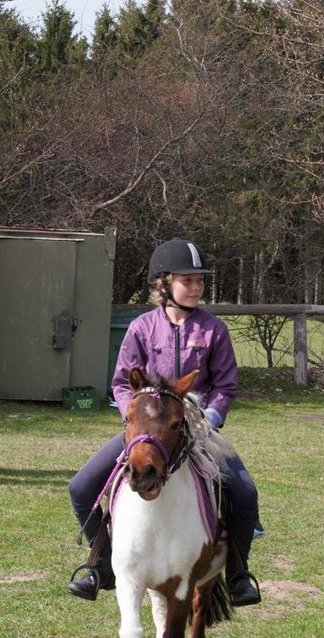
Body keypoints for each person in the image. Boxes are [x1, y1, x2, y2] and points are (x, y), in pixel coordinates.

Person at [65, 238, 262, 607]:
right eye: (187, 281)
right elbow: (122, 382)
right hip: (145, 432)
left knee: (245, 492)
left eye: (200, 281)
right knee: (80, 488)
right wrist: (133, 418)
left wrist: (210, 419)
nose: (196, 287)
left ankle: (237, 573)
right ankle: (101, 565)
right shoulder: (141, 328)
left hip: (196, 431)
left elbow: (226, 385)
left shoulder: (214, 330)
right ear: (163, 284)